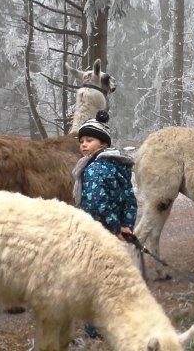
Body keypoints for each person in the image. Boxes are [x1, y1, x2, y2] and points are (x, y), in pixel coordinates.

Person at [72, 110, 138, 339]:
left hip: (99, 234)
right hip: (117, 233)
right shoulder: (120, 165)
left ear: (103, 142)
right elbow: (130, 199)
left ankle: (96, 329)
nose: (83, 145)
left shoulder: (94, 169)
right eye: (81, 141)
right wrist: (126, 225)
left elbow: (97, 203)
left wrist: (113, 226)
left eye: (89, 140)